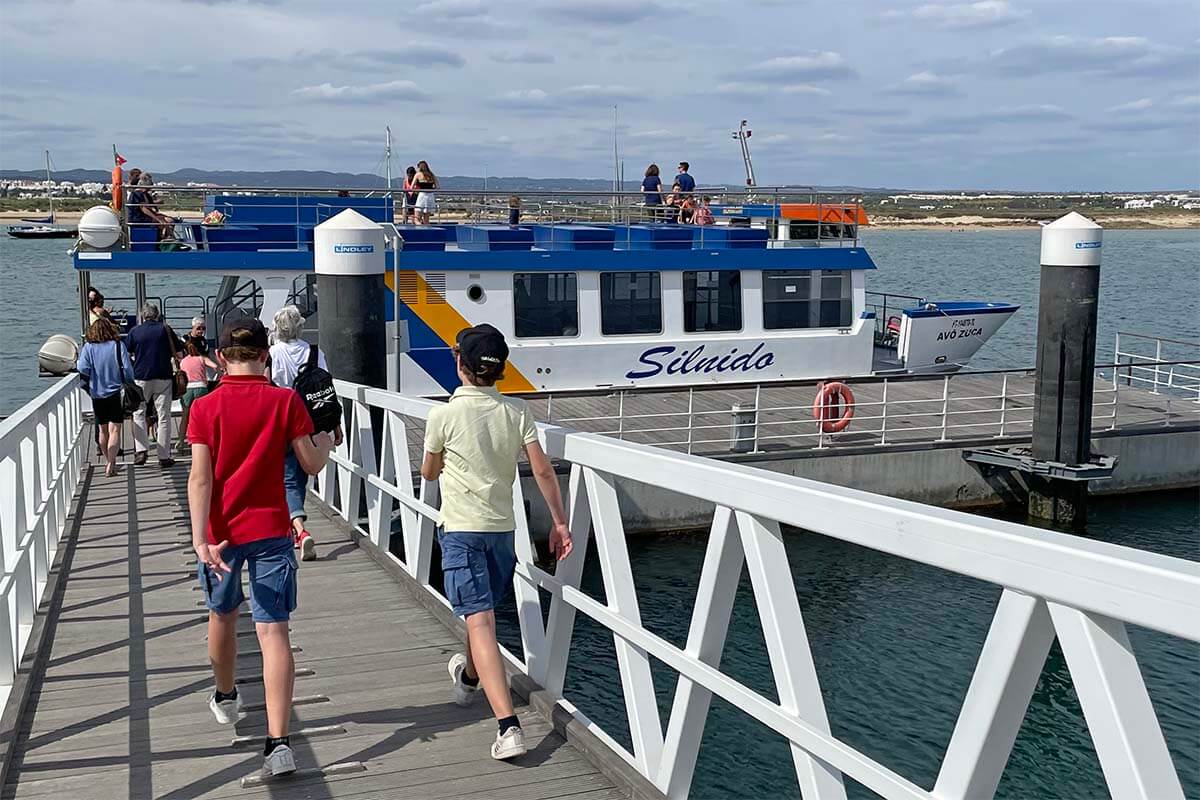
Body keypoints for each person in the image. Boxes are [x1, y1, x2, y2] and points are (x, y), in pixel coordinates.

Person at [188, 317, 333, 779]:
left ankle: (226, 696)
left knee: (222, 616)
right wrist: (325, 441)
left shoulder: (204, 408)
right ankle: (279, 744)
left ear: (219, 356)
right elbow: (309, 462)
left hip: (221, 534)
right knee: (275, 633)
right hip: (271, 529)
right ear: (265, 356)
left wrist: (200, 538)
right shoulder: (285, 401)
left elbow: (200, 478)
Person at [420, 323, 572, 761]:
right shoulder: (517, 412)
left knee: (480, 622)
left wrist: (443, 460)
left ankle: (509, 726)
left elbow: (429, 473)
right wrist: (559, 523)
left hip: (463, 530)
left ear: (459, 365)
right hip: (503, 531)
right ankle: (468, 680)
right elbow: (543, 471)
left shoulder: (443, 414)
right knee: (480, 615)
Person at [269, 305, 344, 561]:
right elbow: (326, 391)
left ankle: (299, 530)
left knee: (288, 477)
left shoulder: (273, 353)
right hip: (312, 422)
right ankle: (295, 527)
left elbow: (270, 387)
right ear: (300, 326)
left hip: (284, 421)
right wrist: (335, 426)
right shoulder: (314, 352)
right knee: (299, 477)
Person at [76, 316, 135, 477]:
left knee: (102, 430)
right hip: (116, 393)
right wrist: (131, 382)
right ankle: (112, 462)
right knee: (115, 430)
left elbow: (82, 368)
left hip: (97, 393)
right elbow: (128, 369)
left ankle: (108, 460)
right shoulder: (117, 345)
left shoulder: (88, 347)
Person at [127, 303, 181, 467]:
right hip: (163, 376)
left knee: (139, 413)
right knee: (164, 416)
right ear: (157, 315)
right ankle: (164, 456)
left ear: (143, 316)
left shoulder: (135, 331)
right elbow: (178, 352)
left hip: (141, 376)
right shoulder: (165, 329)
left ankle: (141, 451)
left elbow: (127, 352)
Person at [176, 341, 221, 453]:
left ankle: (181, 441)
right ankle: (207, 440)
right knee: (203, 416)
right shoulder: (201, 358)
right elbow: (216, 367)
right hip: (201, 387)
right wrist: (217, 376)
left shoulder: (183, 362)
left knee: (185, 416)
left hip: (188, 388)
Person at [413, 160, 438, 225]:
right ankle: (426, 231)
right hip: (430, 196)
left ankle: (420, 230)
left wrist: (416, 191)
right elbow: (437, 186)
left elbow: (412, 186)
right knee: (426, 220)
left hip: (422, 195)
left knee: (416, 218)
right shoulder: (431, 175)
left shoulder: (418, 174)